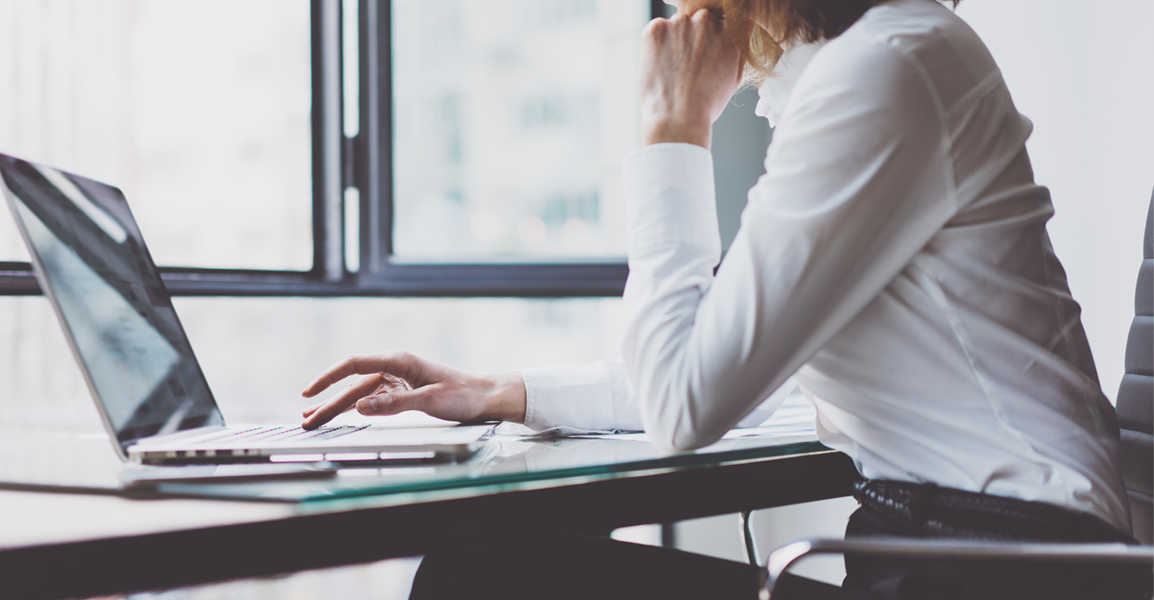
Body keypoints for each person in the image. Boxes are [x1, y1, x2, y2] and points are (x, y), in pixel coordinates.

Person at [300, 0, 1150, 597]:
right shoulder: (884, 65)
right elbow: (729, 358)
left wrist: (673, 131)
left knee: (483, 576)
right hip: (968, 556)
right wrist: (501, 393)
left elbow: (687, 404)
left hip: (1002, 570)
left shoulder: (889, 69)